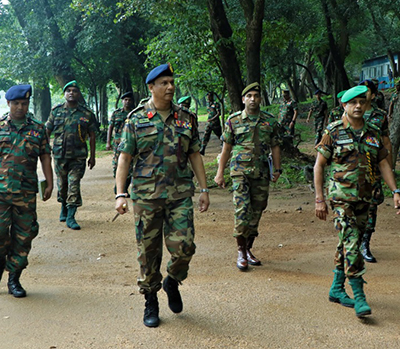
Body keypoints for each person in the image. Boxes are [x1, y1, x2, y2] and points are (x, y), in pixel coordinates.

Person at [114, 63, 210, 328]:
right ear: (151, 87)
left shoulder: (186, 118)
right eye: (164, 83)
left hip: (179, 194)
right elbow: (125, 159)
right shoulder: (135, 119)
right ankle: (150, 300)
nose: (170, 87)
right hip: (146, 198)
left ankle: (172, 280)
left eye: (171, 82)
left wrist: (204, 189)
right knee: (148, 253)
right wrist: (120, 193)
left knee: (185, 247)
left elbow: (194, 155)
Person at [314, 85, 400, 318]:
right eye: (352, 103)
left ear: (367, 104)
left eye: (361, 102)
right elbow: (319, 165)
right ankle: (359, 296)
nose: (358, 106)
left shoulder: (373, 132)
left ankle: (336, 289)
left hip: (365, 197)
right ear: (344, 105)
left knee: (348, 242)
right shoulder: (333, 132)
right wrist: (319, 199)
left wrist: (395, 191)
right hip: (341, 199)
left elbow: (383, 164)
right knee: (353, 243)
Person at [0, 84, 54, 298]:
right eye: (16, 103)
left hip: (26, 193)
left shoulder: (38, 128)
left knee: (24, 237)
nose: (20, 107)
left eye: (24, 103)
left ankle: (14, 278)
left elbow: (45, 156)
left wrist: (50, 182)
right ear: (9, 103)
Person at [215, 82, 282, 271]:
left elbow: (275, 146)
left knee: (258, 209)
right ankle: (241, 252)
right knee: (242, 210)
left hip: (261, 172)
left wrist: (277, 169)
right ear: (243, 99)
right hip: (240, 172)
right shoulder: (234, 120)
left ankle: (248, 248)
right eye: (249, 96)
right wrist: (220, 173)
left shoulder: (269, 121)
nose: (253, 99)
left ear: (260, 99)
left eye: (256, 96)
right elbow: (226, 147)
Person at [45, 80, 98, 230]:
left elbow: (92, 135)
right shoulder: (56, 111)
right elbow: (47, 131)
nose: (71, 93)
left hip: (78, 156)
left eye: (74, 91)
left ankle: (71, 216)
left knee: (73, 184)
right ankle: (64, 206)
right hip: (60, 155)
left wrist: (92, 157)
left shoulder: (86, 114)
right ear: (64, 94)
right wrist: (45, 149)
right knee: (62, 185)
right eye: (68, 91)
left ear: (79, 94)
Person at [357, 80, 393, 263]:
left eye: (367, 91)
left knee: (371, 208)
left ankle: (365, 243)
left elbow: (386, 142)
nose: (363, 95)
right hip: (352, 170)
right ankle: (352, 243)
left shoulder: (380, 116)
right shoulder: (351, 111)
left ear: (373, 94)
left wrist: (389, 166)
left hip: (373, 169)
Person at [106, 91, 135, 195]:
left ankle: (124, 187)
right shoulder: (116, 113)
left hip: (129, 144)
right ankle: (118, 185)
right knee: (116, 164)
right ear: (122, 101)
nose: (127, 102)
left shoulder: (134, 114)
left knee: (130, 166)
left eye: (129, 100)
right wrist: (108, 142)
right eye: (125, 100)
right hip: (118, 144)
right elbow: (110, 128)